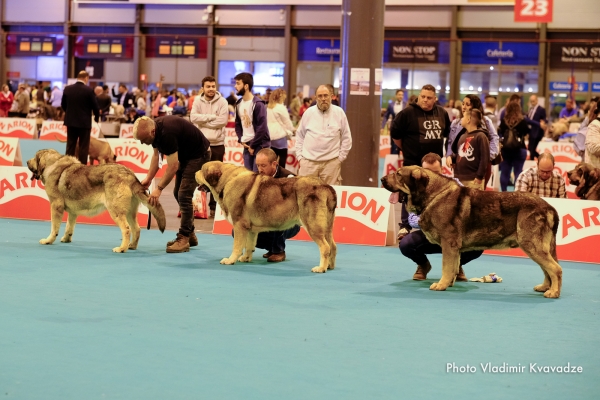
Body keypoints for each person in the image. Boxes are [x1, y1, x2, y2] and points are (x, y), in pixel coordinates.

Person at [396, 153, 483, 281]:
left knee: (479, 245)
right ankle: (423, 265)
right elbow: (412, 219)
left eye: (436, 172)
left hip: (454, 235)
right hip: (429, 234)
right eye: (427, 172)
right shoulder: (414, 189)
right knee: (406, 245)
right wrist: (435, 221)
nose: (431, 176)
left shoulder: (455, 184)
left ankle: (456, 266)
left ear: (442, 170)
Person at [133, 116, 211, 253]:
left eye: (143, 140)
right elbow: (157, 156)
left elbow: (173, 166)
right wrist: (149, 178)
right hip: (186, 155)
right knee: (178, 193)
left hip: (199, 155)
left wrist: (159, 188)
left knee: (184, 194)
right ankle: (190, 234)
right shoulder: (154, 129)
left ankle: (184, 237)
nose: (142, 143)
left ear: (152, 132)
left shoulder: (167, 133)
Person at [390, 84, 450, 240]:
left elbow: (447, 134)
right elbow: (395, 135)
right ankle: (405, 226)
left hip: (434, 164)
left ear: (435, 99)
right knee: (410, 193)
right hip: (413, 162)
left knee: (434, 194)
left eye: (429, 97)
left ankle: (432, 225)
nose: (425, 100)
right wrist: (407, 149)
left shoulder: (442, 113)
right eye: (422, 96)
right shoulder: (407, 113)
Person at [295, 84, 352, 185]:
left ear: (331, 96)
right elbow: (299, 136)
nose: (323, 99)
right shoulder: (308, 113)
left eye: (326, 95)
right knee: (304, 195)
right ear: (316, 98)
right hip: (308, 163)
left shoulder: (339, 113)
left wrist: (340, 159)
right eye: (320, 96)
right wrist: (300, 158)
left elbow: (346, 138)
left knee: (331, 197)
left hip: (331, 164)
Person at [190, 75, 229, 218]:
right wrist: (212, 117)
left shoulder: (223, 102)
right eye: (208, 86)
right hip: (201, 145)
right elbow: (193, 118)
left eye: (213, 86)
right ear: (203, 88)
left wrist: (204, 120)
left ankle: (214, 208)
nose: (211, 89)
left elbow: (223, 121)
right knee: (199, 176)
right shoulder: (197, 101)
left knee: (217, 178)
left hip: (217, 145)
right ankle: (198, 206)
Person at [252, 148, 300, 262]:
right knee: (239, 230)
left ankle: (279, 251)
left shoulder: (289, 178)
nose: (260, 169)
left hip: (290, 222)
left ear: (274, 164)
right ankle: (272, 248)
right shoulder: (257, 178)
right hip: (266, 220)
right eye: (258, 165)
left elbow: (293, 206)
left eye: (263, 165)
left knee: (277, 216)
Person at [445, 94, 500, 185]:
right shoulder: (456, 122)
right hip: (461, 166)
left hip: (480, 166)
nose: (464, 107)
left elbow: (494, 138)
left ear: (474, 106)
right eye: (463, 104)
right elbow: (450, 141)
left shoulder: (485, 121)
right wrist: (449, 156)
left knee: (478, 194)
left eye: (468, 104)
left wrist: (487, 157)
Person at [233, 72, 271, 172]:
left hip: (259, 145)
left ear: (246, 86)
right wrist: (241, 139)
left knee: (258, 178)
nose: (235, 86)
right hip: (246, 145)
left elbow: (262, 127)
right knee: (247, 178)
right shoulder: (238, 103)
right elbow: (237, 124)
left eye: (238, 83)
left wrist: (253, 146)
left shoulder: (258, 104)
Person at [61, 71, 100, 165]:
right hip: (84, 123)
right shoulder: (89, 90)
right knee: (83, 147)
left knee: (70, 145)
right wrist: (96, 118)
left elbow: (63, 105)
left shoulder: (67, 89)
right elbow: (95, 106)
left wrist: (70, 113)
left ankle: (67, 165)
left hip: (70, 122)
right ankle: (81, 167)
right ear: (86, 78)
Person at [450, 109, 490, 190]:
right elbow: (459, 153)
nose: (461, 119)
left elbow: (485, 158)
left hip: (473, 179)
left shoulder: (481, 136)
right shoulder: (462, 136)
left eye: (463, 117)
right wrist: (452, 158)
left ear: (468, 120)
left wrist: (479, 176)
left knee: (474, 202)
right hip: (459, 177)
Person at [498, 102, 530, 191]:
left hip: (506, 150)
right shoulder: (522, 121)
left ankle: (503, 192)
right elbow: (527, 131)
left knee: (504, 172)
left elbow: (499, 133)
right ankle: (517, 193)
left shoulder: (504, 120)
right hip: (520, 149)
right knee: (518, 172)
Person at [267, 88, 295, 169]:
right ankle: (281, 175)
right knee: (282, 157)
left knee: (273, 159)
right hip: (280, 135)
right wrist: (292, 129)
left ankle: (272, 175)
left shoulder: (269, 107)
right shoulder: (281, 107)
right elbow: (287, 122)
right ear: (281, 96)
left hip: (270, 136)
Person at [382, 89, 406, 154]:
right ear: (396, 95)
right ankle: (393, 162)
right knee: (393, 146)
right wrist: (383, 126)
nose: (401, 96)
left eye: (402, 95)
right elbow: (386, 116)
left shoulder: (406, 104)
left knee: (404, 146)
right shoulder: (391, 105)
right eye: (399, 95)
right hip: (394, 128)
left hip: (403, 129)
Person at [525, 95, 547, 160]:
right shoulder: (530, 109)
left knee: (532, 148)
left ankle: (539, 159)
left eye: (533, 101)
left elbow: (545, 118)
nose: (532, 102)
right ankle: (541, 158)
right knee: (530, 148)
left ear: (537, 100)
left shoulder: (541, 109)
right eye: (531, 101)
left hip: (537, 132)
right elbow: (528, 118)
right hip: (531, 131)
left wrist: (543, 122)